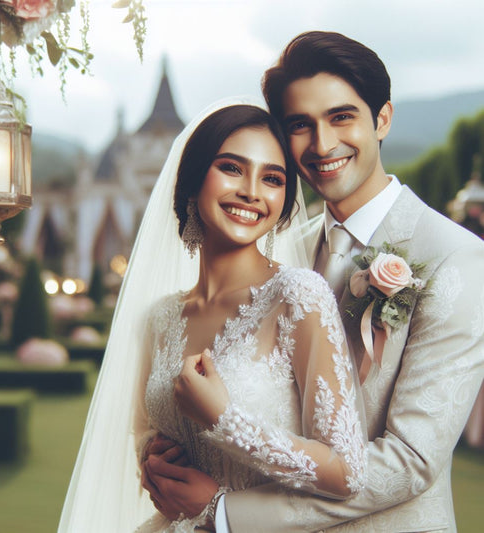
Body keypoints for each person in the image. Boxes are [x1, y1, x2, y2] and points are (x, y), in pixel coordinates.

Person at [145, 32, 484, 532]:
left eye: (342, 117)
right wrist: (167, 454)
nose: (323, 145)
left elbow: (411, 460)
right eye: (301, 125)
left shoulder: (455, 258)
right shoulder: (282, 244)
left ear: (383, 119)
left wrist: (223, 511)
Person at [57, 98, 368, 533]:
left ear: (284, 200)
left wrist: (225, 421)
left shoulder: (298, 297)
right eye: (232, 168)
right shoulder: (160, 318)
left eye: (273, 178)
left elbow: (347, 472)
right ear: (191, 182)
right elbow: (145, 430)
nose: (251, 191)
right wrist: (153, 460)